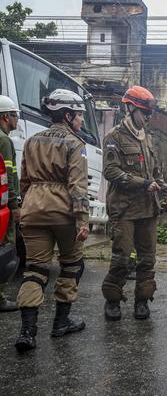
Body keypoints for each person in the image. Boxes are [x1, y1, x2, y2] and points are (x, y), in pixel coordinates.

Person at [14, 89, 90, 352]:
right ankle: (61, 322)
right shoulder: (74, 143)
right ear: (67, 116)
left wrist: (24, 207)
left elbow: (24, 181)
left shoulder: (32, 141)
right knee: (71, 265)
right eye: (79, 115)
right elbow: (78, 187)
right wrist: (82, 221)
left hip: (32, 209)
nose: (81, 121)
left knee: (35, 269)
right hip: (63, 213)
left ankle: (27, 331)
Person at [101, 86, 167, 321]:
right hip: (124, 209)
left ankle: (142, 301)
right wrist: (142, 183)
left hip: (147, 209)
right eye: (144, 112)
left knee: (147, 259)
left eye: (150, 113)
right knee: (121, 257)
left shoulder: (147, 139)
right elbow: (111, 171)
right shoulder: (115, 137)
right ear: (130, 108)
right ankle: (113, 301)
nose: (148, 117)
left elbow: (156, 172)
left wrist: (166, 195)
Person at [0, 96, 20, 312]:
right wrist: (15, 205)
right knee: (7, 248)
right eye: (15, 115)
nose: (17, 120)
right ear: (6, 117)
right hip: (4, 205)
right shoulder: (4, 141)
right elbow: (8, 176)